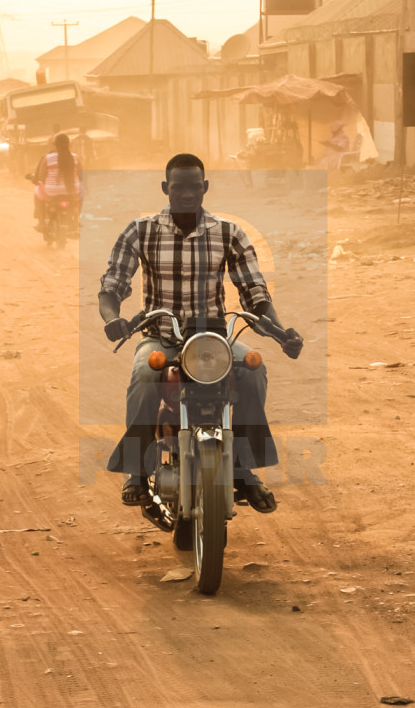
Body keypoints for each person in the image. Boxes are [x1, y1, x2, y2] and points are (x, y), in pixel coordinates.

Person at [98, 153, 303, 512]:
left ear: (205, 187)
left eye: (195, 187)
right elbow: (111, 287)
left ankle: (244, 469)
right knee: (145, 374)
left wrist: (281, 332)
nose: (188, 194)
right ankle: (136, 468)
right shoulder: (141, 231)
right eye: (179, 187)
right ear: (166, 188)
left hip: (214, 341)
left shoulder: (228, 232)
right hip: (161, 336)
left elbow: (255, 294)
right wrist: (112, 317)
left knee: (254, 371)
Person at [32, 131, 84, 229]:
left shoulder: (48, 158)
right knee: (83, 191)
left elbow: (41, 178)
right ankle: (76, 220)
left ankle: (42, 222)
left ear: (54, 145)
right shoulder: (75, 157)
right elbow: (81, 176)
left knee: (36, 191)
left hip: (52, 192)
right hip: (72, 191)